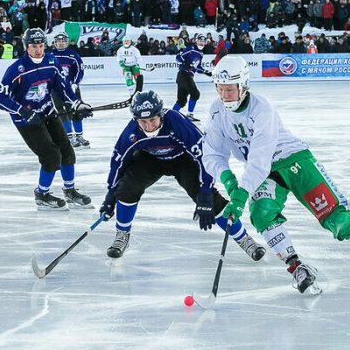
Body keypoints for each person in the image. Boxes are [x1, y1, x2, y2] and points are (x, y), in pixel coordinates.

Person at [203, 56, 350, 294]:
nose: (224, 94)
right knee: (261, 213)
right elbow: (213, 153)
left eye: (230, 89)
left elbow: (260, 157)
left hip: (292, 160)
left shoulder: (261, 108)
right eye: (220, 89)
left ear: (244, 85)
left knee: (334, 215)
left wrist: (240, 195)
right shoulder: (217, 111)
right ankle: (296, 267)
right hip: (264, 172)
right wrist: (229, 182)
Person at [99, 90, 266, 261]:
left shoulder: (176, 121)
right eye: (143, 121)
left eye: (152, 120)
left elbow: (205, 155)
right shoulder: (132, 133)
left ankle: (244, 239)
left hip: (182, 160)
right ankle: (122, 234)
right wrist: (111, 195)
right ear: (136, 120)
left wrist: (206, 191)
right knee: (127, 187)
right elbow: (118, 163)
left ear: (161, 114)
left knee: (208, 199)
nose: (149, 126)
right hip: (150, 159)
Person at [0, 28, 93, 211]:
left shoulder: (51, 61)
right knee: (50, 156)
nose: (38, 50)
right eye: (34, 46)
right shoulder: (17, 69)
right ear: (26, 47)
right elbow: (0, 97)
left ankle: (70, 191)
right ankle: (42, 194)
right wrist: (22, 111)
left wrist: (77, 104)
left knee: (67, 151)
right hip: (27, 120)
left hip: (48, 113)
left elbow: (62, 88)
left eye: (41, 45)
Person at [50, 31, 89, 149]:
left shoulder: (73, 55)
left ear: (67, 42)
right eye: (58, 41)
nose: (61, 43)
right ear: (55, 43)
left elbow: (80, 71)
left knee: (77, 110)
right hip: (56, 91)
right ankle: (70, 137)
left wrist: (75, 84)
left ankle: (79, 136)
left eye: (63, 41)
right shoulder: (49, 56)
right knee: (62, 112)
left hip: (71, 89)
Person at [172, 34, 212, 121]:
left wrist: (205, 72)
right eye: (200, 41)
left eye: (203, 41)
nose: (202, 43)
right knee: (195, 93)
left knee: (181, 101)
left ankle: (170, 116)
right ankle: (189, 115)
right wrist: (184, 62)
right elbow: (178, 58)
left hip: (186, 77)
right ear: (196, 41)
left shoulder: (201, 54)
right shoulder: (191, 48)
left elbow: (197, 67)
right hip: (183, 75)